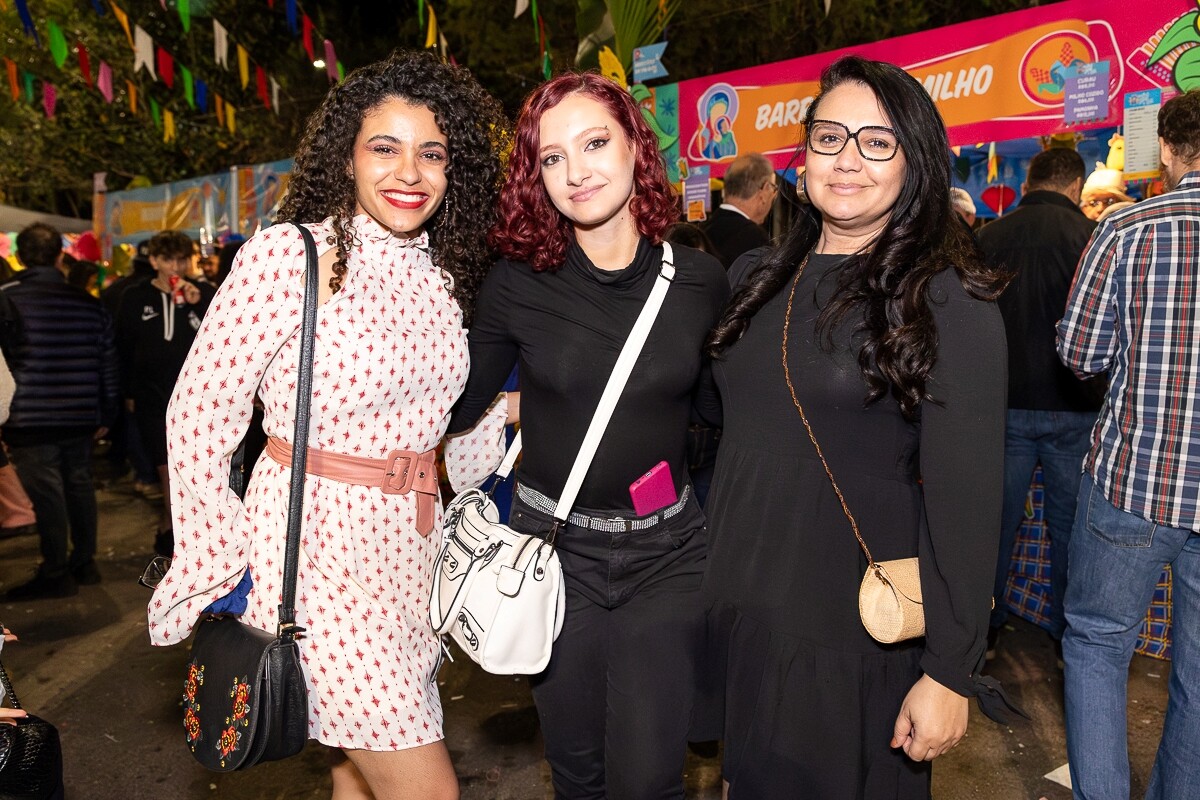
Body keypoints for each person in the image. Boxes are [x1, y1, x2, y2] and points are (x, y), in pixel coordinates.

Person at [145, 50, 510, 799]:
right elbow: (200, 412)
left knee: (354, 772)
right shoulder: (290, 255)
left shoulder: (441, 279)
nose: (409, 171)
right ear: (346, 159)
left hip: (409, 550)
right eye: (385, 147)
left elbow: (434, 428)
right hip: (315, 554)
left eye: (431, 153)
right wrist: (221, 558)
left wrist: (510, 418)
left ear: (454, 172)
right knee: (425, 787)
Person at [703, 56, 1016, 798]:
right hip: (744, 611)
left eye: (877, 142)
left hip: (851, 629)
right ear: (802, 154)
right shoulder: (756, 275)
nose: (847, 159)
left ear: (915, 163)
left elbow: (967, 504)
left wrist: (950, 670)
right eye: (830, 136)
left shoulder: (944, 298)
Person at [448, 72, 727, 799]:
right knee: (577, 772)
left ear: (637, 146)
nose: (576, 172)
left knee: (650, 778)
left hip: (667, 556)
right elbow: (452, 404)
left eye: (595, 143)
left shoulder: (700, 281)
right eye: (551, 157)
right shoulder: (516, 285)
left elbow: (721, 417)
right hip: (551, 554)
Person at [1057, 88, 1200, 800]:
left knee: (1097, 646)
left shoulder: (1127, 229)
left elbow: (1079, 352)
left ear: (1170, 151)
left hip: (1135, 480)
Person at [975, 148, 1101, 660]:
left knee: (995, 523)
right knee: (1070, 527)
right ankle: (1066, 631)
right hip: (1074, 402)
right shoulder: (1091, 238)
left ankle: (984, 627)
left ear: (1030, 182)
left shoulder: (989, 236)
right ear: (1074, 185)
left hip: (1002, 402)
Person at [0, 223, 119, 599]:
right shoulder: (88, 302)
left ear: (19, 258)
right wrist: (106, 413)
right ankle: (84, 563)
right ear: (58, 256)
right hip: (80, 414)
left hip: (28, 417)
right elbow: (108, 363)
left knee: (48, 494)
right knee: (79, 486)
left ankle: (56, 571)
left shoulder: (6, 298)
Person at [115, 230, 217, 557]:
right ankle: (173, 531)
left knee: (194, 468)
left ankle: (183, 531)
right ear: (155, 260)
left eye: (182, 259)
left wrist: (197, 304)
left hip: (197, 399)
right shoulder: (135, 296)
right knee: (164, 468)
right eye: (169, 258)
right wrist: (127, 391)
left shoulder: (203, 292)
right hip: (152, 397)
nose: (177, 265)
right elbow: (123, 347)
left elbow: (219, 341)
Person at [702, 153, 775, 268]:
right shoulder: (756, 239)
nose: (773, 195)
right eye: (773, 187)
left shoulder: (701, 231)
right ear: (764, 191)